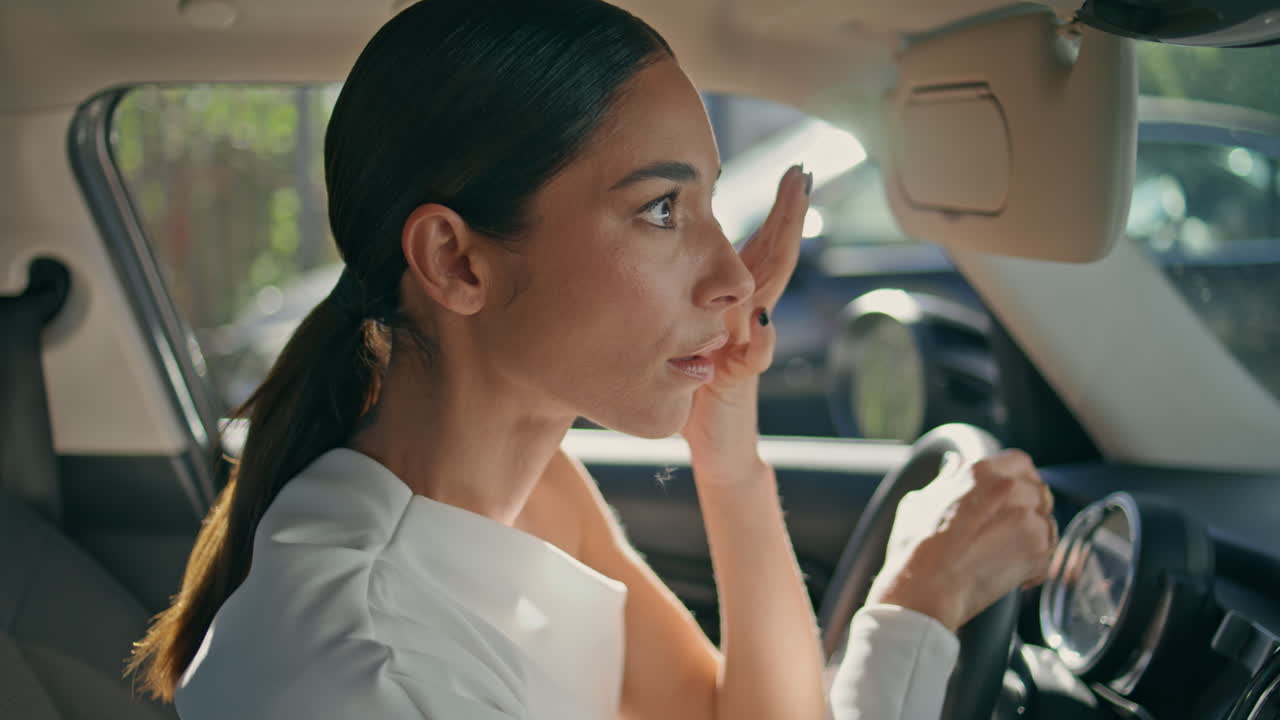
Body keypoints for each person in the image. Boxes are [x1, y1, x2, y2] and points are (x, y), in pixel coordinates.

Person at [127, 1, 1057, 718]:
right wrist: (917, 611)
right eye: (662, 209)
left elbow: (725, 712)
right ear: (457, 262)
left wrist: (726, 452)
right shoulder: (376, 685)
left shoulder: (528, 493)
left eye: (708, 207)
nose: (734, 273)